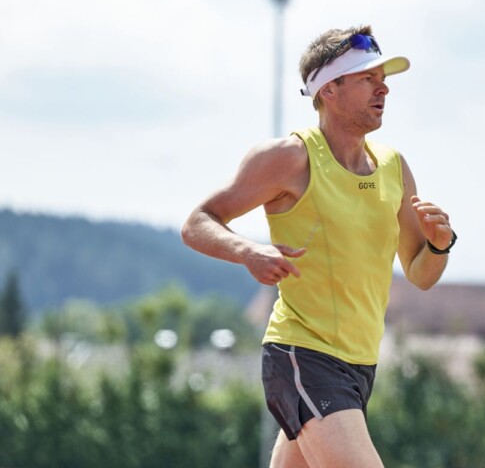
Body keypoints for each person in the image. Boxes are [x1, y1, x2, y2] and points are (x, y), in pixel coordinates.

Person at [181, 24, 456, 468]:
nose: (383, 88)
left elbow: (421, 274)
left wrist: (440, 246)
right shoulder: (289, 158)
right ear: (329, 89)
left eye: (383, 79)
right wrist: (248, 252)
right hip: (303, 355)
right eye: (368, 78)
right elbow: (197, 222)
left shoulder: (394, 167)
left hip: (360, 365)